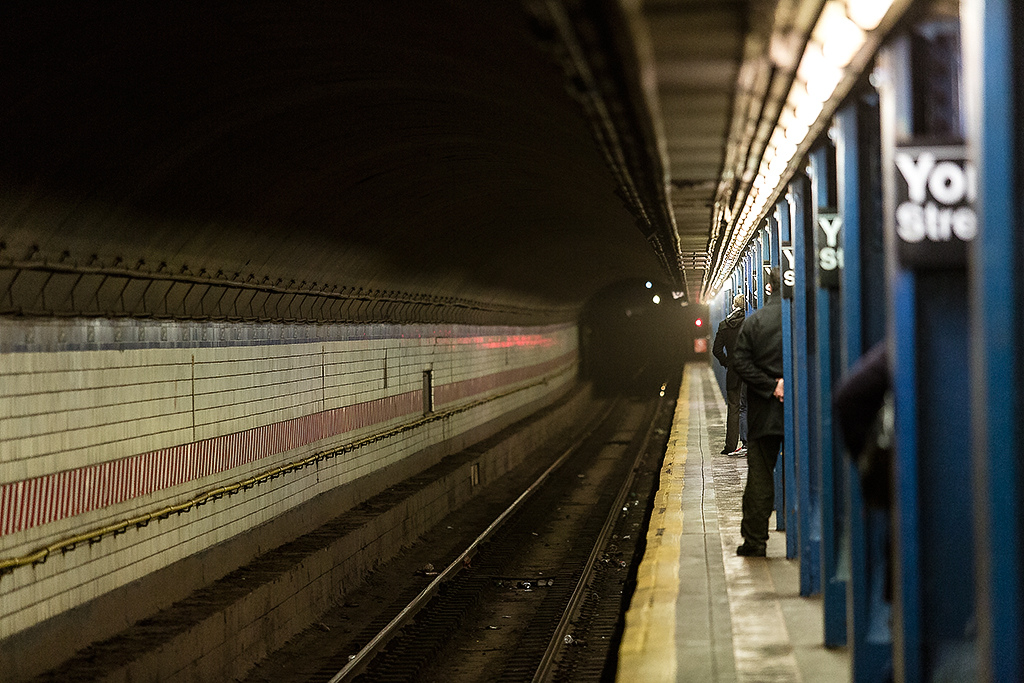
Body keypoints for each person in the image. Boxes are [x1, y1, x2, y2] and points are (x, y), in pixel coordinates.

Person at [729, 268, 783, 557]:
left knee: (760, 475)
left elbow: (739, 361)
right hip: (806, 412)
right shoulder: (807, 315)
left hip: (765, 412)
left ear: (768, 289)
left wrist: (771, 386)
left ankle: (755, 540)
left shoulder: (756, 321)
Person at [713, 293, 748, 455]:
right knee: (747, 406)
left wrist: (727, 362)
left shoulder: (723, 325)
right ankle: (748, 443)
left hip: (733, 371)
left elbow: (716, 350)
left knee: (734, 407)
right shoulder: (749, 322)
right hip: (749, 369)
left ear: (733, 306)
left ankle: (730, 446)